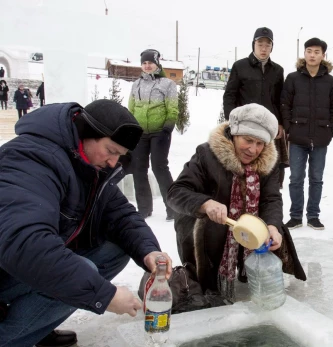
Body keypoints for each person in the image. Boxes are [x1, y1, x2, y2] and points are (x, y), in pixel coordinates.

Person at [0, 100, 171, 347]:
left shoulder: (87, 164)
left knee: (115, 250)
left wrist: (149, 251)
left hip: (20, 264)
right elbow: (25, 244)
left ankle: (35, 327)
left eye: (119, 156)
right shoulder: (31, 160)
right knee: (86, 271)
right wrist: (106, 296)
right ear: (85, 132)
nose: (114, 162)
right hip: (12, 262)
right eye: (111, 151)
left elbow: (121, 215)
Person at [167, 104, 305, 300]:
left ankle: (248, 269)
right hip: (212, 224)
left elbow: (271, 198)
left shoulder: (268, 162)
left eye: (260, 144)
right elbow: (175, 192)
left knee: (272, 228)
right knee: (212, 228)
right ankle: (210, 275)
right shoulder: (207, 154)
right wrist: (206, 204)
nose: (253, 149)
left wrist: (273, 226)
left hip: (245, 223)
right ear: (234, 134)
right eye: (248, 140)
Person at [280, 38, 333, 230]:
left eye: (316, 51)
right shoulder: (293, 78)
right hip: (297, 137)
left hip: (321, 138)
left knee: (316, 178)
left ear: (323, 55)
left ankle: (313, 215)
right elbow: (285, 105)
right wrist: (289, 128)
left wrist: (330, 131)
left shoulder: (329, 81)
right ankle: (296, 216)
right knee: (296, 178)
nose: (312, 55)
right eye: (309, 51)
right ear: (304, 53)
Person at [223, 27, 288, 189]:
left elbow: (280, 100)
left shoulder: (278, 70)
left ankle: (267, 199)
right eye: (260, 44)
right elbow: (230, 96)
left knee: (269, 169)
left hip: (268, 129)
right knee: (242, 168)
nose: (263, 48)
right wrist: (231, 121)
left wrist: (280, 123)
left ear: (272, 47)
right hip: (244, 128)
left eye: (267, 45)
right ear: (253, 45)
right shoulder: (240, 66)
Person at [128, 49, 178, 221]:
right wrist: (131, 128)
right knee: (138, 169)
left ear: (157, 64)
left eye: (150, 62)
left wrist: (167, 128)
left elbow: (172, 109)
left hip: (160, 133)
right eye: (144, 63)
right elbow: (131, 109)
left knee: (159, 168)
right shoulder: (136, 85)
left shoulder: (167, 84)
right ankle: (144, 208)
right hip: (140, 133)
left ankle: (173, 208)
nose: (147, 66)